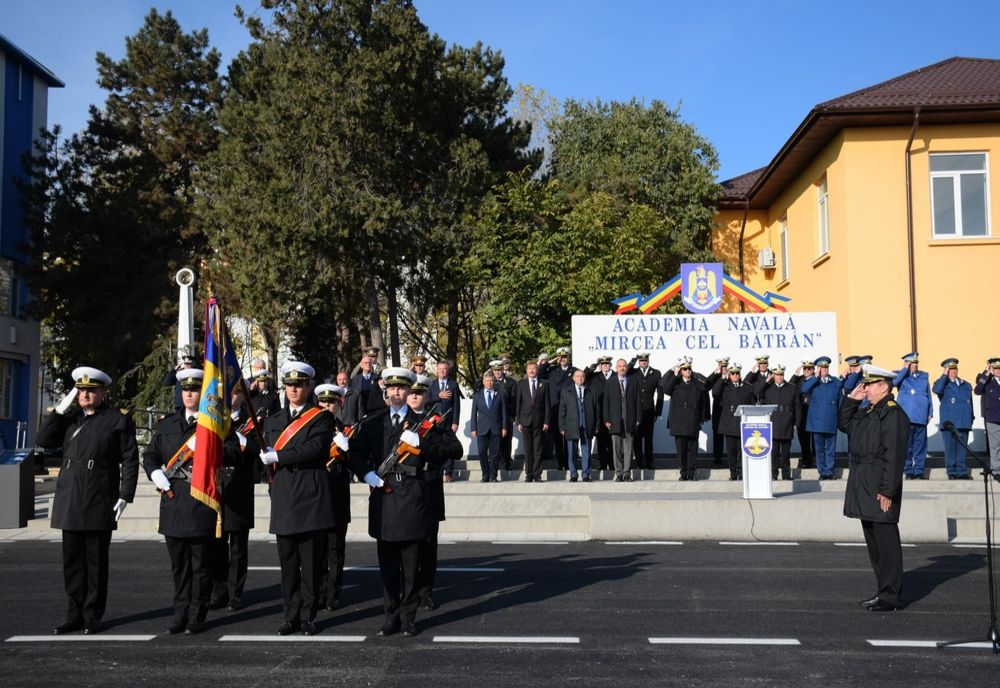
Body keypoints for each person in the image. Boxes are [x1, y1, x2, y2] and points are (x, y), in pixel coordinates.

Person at [37, 366, 139, 636]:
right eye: (81, 390)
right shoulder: (70, 420)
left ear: (103, 393)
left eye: (90, 391)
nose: (84, 395)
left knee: (95, 563)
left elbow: (130, 458)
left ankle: (92, 616)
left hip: (98, 496)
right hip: (70, 496)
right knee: (72, 563)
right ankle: (73, 614)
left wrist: (125, 494)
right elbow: (43, 440)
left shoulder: (117, 419)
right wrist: (57, 412)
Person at [363, 368, 462, 637]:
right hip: (384, 497)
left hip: (413, 497)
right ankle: (390, 616)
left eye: (402, 388)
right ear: (387, 391)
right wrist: (365, 473)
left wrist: (422, 444)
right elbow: (356, 453)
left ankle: (408, 618)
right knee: (387, 568)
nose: (397, 393)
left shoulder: (426, 423)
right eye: (392, 388)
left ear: (409, 391)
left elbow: (454, 450)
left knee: (410, 566)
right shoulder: (374, 422)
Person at [145, 368, 241, 634]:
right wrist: (154, 473)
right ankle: (179, 615)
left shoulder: (216, 424)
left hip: (202, 502)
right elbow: (150, 455)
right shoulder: (167, 425)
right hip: (174, 502)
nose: (189, 394)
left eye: (195, 389)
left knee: (201, 566)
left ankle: (197, 616)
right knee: (179, 567)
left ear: (203, 393)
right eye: (185, 389)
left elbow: (234, 453)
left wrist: (211, 448)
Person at [259, 361, 335, 636]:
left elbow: (315, 448)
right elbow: (266, 458)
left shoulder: (321, 417)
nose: (294, 389)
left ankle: (308, 616)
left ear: (308, 387)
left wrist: (278, 456)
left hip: (310, 495)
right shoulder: (274, 420)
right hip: (284, 497)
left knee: (311, 564)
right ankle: (290, 615)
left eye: (299, 385)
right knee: (288, 564)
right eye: (289, 385)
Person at [839, 364, 909, 613]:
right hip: (864, 482)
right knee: (874, 542)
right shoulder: (870, 410)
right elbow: (845, 425)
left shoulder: (892, 414)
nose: (865, 389)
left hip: (879, 485)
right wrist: (851, 400)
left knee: (886, 543)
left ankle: (891, 596)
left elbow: (894, 455)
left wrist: (887, 490)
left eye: (869, 385)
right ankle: (883, 591)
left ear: (884, 386)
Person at [408, 374, 458, 612]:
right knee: (408, 547)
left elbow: (455, 449)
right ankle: (408, 591)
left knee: (428, 546)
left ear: (427, 396)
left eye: (419, 393)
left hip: (429, 486)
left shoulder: (435, 421)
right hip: (406, 491)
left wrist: (431, 447)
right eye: (411, 392)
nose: (415, 396)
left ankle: (425, 592)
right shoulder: (399, 420)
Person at [210, 385, 258, 612]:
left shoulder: (254, 421)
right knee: (216, 546)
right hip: (218, 489)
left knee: (238, 547)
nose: (231, 397)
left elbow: (258, 450)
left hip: (239, 488)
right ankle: (219, 592)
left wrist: (240, 437)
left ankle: (235, 593)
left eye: (235, 393)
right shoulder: (213, 420)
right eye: (227, 393)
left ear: (242, 396)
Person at [314, 383, 353, 612]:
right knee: (317, 549)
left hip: (337, 495)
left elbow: (355, 460)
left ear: (339, 404)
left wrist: (347, 450)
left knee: (335, 549)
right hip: (317, 496)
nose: (327, 406)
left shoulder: (344, 431)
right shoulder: (310, 428)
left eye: (331, 402)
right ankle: (318, 592)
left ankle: (333, 593)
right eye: (323, 402)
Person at [661, 359, 707, 481]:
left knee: (692, 449)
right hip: (679, 422)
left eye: (689, 369)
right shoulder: (675, 383)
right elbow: (665, 388)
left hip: (692, 421)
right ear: (681, 371)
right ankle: (683, 473)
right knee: (681, 450)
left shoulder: (697, 383)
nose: (688, 371)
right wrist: (674, 373)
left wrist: (701, 419)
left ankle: (691, 473)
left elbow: (702, 401)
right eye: (685, 369)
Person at [753, 365, 801, 480]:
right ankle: (773, 474)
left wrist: (797, 423)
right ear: (774, 375)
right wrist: (766, 381)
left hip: (787, 424)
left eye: (781, 375)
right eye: (777, 375)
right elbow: (756, 392)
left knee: (785, 454)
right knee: (774, 453)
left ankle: (786, 474)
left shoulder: (791, 388)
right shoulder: (768, 388)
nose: (779, 377)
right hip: (773, 425)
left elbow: (797, 407)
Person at [799, 356, 843, 480]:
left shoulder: (835, 382)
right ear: (818, 368)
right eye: (822, 367)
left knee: (830, 449)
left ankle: (829, 471)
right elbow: (804, 389)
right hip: (817, 422)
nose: (825, 369)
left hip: (830, 420)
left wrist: (838, 417)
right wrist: (815, 377)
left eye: (826, 367)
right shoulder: (813, 382)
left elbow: (840, 401)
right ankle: (822, 472)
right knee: (819, 449)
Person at [712, 363, 757, 480]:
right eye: (732, 373)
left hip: (742, 423)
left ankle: (741, 472)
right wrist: (723, 377)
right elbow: (715, 392)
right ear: (730, 375)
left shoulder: (747, 387)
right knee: (731, 452)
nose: (735, 375)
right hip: (729, 424)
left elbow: (752, 402)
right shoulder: (725, 386)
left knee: (742, 451)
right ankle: (733, 473)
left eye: (737, 373)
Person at [893, 353, 933, 480]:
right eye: (911, 363)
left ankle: (919, 471)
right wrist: (904, 368)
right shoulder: (901, 375)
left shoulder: (923, 377)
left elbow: (928, 395)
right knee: (907, 446)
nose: (914, 365)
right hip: (907, 417)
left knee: (920, 447)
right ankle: (908, 470)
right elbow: (894, 383)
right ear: (907, 363)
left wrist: (930, 412)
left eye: (916, 363)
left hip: (921, 416)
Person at [933, 358, 974, 480]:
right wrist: (944, 375)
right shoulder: (942, 384)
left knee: (962, 449)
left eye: (955, 368)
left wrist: (971, 418)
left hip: (964, 421)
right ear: (946, 370)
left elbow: (970, 403)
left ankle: (961, 471)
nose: (953, 371)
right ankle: (951, 471)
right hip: (949, 422)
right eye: (950, 369)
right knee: (950, 449)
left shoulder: (966, 385)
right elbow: (936, 390)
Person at [604, 358, 641, 482]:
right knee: (616, 448)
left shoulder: (633, 381)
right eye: (620, 366)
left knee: (628, 448)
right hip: (615, 420)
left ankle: (627, 473)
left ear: (626, 367)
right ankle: (618, 473)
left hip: (629, 419)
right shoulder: (610, 382)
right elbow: (606, 402)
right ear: (616, 368)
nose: (622, 368)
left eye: (624, 366)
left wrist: (638, 418)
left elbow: (637, 401)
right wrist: (606, 419)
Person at [559, 368, 599, 482]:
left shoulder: (591, 391)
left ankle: (586, 474)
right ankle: (573, 474)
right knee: (571, 452)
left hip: (587, 426)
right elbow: (562, 411)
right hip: (571, 426)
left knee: (586, 452)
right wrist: (562, 426)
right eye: (578, 376)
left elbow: (597, 410)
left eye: (582, 376)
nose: (580, 378)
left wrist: (596, 425)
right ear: (573, 378)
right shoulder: (566, 391)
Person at [515, 361, 550, 483]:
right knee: (528, 450)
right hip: (525, 421)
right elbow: (518, 404)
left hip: (539, 422)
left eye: (534, 368)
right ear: (526, 370)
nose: (531, 371)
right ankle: (528, 475)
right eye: (529, 368)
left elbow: (547, 404)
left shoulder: (544, 384)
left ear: (537, 370)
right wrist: (518, 421)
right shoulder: (521, 384)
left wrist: (546, 421)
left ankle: (537, 474)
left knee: (538, 450)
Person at [428, 360, 462, 482]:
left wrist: (455, 422)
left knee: (448, 446)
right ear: (436, 370)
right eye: (440, 369)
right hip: (434, 421)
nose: (442, 371)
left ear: (448, 371)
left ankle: (448, 472)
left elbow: (457, 405)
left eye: (445, 369)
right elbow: (427, 402)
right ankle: (438, 471)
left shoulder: (453, 384)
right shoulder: (431, 385)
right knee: (436, 446)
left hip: (449, 421)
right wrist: (439, 396)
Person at [471, 370, 507, 482]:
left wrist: (504, 427)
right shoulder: (477, 395)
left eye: (491, 381)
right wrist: (473, 428)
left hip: (496, 428)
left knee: (494, 454)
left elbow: (504, 412)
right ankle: (485, 475)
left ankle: (493, 476)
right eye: (487, 381)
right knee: (482, 452)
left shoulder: (500, 394)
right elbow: (473, 413)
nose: (489, 383)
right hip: (482, 429)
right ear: (483, 382)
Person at [547, 347, 577, 470]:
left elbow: (582, 376)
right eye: (560, 357)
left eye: (565, 357)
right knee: (558, 438)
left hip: (569, 408)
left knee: (569, 438)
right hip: (556, 407)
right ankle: (560, 463)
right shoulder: (552, 371)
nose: (563, 359)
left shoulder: (573, 371)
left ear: (568, 358)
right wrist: (551, 361)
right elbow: (540, 372)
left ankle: (569, 463)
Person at [634, 353, 664, 469]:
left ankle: (649, 462)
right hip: (636, 411)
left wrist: (658, 411)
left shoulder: (656, 373)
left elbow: (660, 393)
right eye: (641, 360)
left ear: (648, 361)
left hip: (649, 410)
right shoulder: (634, 372)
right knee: (636, 438)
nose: (643, 362)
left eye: (645, 360)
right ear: (638, 362)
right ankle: (639, 462)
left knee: (648, 438)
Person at [973, 358, 1000, 480]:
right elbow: (977, 390)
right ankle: (996, 470)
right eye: (995, 368)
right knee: (995, 446)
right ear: (992, 369)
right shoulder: (988, 381)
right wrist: (986, 373)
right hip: (993, 418)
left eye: (999, 368)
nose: (998, 371)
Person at [587, 356, 614, 471]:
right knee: (601, 442)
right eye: (603, 364)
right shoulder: (594, 376)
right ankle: (602, 464)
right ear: (600, 365)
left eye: (607, 364)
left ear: (611, 365)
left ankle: (613, 465)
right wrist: (594, 365)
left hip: (613, 413)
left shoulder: (616, 375)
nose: (605, 366)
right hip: (599, 413)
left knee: (613, 442)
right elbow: (584, 375)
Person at [490, 359, 517, 472]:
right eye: (495, 370)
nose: (497, 373)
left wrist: (512, 415)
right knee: (495, 441)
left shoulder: (510, 382)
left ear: (503, 370)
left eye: (499, 370)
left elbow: (514, 400)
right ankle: (498, 462)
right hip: (494, 417)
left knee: (506, 441)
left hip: (506, 416)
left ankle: (507, 462)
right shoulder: (489, 382)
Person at [790, 361, 816, 469]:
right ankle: (806, 461)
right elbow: (790, 386)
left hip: (813, 413)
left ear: (813, 370)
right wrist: (796, 374)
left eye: (809, 368)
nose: (806, 370)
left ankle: (815, 461)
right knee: (804, 440)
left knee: (815, 441)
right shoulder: (800, 379)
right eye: (804, 368)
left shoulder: (817, 380)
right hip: (802, 413)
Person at [705, 357, 730, 468]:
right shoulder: (716, 378)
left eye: (725, 366)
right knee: (718, 436)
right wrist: (719, 376)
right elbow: (711, 389)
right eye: (722, 366)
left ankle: (732, 459)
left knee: (731, 436)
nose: (724, 368)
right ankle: (717, 459)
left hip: (729, 411)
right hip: (718, 411)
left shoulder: (732, 375)